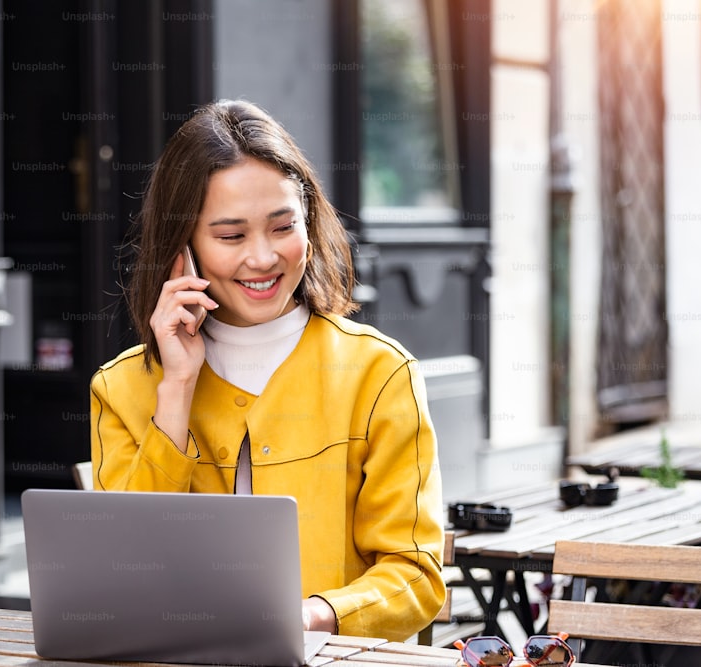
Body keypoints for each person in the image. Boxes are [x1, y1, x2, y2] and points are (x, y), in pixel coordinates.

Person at [90, 99, 445, 640]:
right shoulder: (120, 389)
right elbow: (119, 572)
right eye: (231, 236)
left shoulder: (379, 373)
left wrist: (315, 616)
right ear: (181, 248)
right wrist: (177, 388)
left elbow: (415, 577)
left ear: (309, 223)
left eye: (283, 227)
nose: (262, 258)